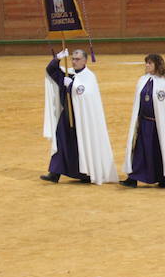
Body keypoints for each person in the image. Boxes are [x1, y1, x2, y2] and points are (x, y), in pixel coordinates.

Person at [41, 48, 118, 184]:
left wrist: (72, 86)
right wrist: (57, 58)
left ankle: (86, 173)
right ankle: (54, 173)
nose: (74, 61)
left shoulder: (89, 77)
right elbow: (51, 70)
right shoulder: (67, 74)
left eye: (77, 59)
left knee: (82, 143)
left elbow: (86, 94)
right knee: (61, 140)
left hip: (83, 119)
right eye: (73, 59)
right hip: (67, 115)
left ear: (84, 61)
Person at [120, 54, 165, 188]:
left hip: (160, 126)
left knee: (159, 151)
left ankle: (164, 177)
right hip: (144, 123)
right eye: (146, 63)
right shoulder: (142, 80)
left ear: (158, 65)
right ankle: (133, 177)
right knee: (140, 151)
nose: (146, 65)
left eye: (150, 63)